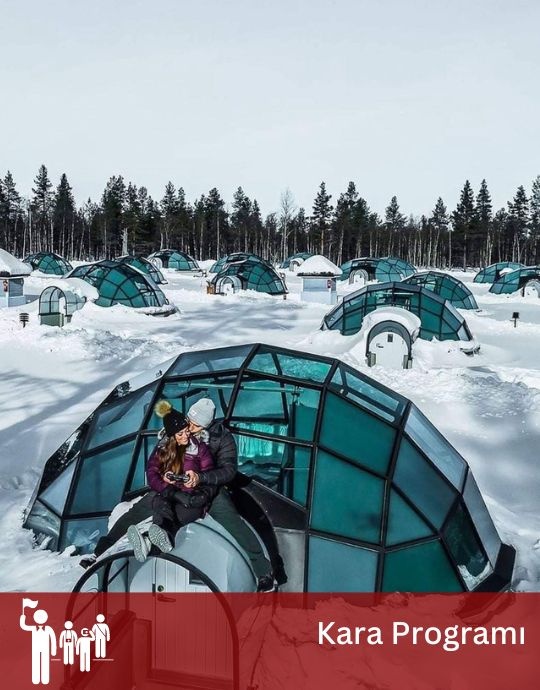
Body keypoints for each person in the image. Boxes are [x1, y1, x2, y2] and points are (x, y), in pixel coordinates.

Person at [81, 398, 275, 592]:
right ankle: (99, 552)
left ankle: (264, 572)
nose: (190, 427)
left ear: (207, 425)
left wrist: (201, 478)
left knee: (234, 524)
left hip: (210, 488)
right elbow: (159, 458)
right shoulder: (181, 429)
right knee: (137, 512)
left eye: (195, 425)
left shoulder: (222, 438)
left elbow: (228, 471)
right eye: (189, 421)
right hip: (175, 483)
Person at [127, 401, 214, 556]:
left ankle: (148, 541)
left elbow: (209, 474)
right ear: (172, 436)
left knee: (177, 515)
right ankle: (151, 542)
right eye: (180, 434)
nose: (185, 435)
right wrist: (165, 482)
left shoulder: (200, 449)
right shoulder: (163, 450)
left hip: (190, 499)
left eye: (186, 431)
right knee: (161, 506)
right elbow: (152, 473)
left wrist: (198, 483)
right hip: (171, 494)